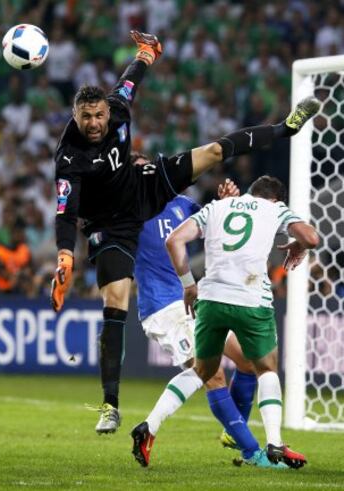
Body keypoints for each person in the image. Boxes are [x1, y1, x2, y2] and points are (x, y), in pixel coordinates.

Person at [50, 26, 320, 434]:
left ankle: (287, 127)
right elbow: (65, 212)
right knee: (116, 301)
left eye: (98, 115)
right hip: (111, 224)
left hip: (144, 185)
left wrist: (147, 54)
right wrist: (65, 253)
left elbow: (128, 82)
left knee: (213, 150)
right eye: (85, 116)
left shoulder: (118, 108)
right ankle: (110, 405)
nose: (93, 122)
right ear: (74, 116)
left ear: (107, 112)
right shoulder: (69, 157)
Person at [131, 175, 319, 469]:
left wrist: (189, 285)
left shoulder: (215, 208)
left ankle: (154, 427)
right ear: (274, 199)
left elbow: (174, 239)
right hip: (248, 299)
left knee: (220, 367)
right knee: (264, 368)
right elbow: (312, 238)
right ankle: (271, 446)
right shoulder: (274, 209)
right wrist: (298, 245)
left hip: (209, 300)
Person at [133, 162, 263, 466]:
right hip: (162, 307)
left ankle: (229, 432)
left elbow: (218, 228)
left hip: (195, 300)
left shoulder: (184, 205)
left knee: (247, 360)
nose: (146, 175)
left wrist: (226, 203)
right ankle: (252, 451)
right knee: (212, 373)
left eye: (148, 169)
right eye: (138, 172)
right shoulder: (131, 212)